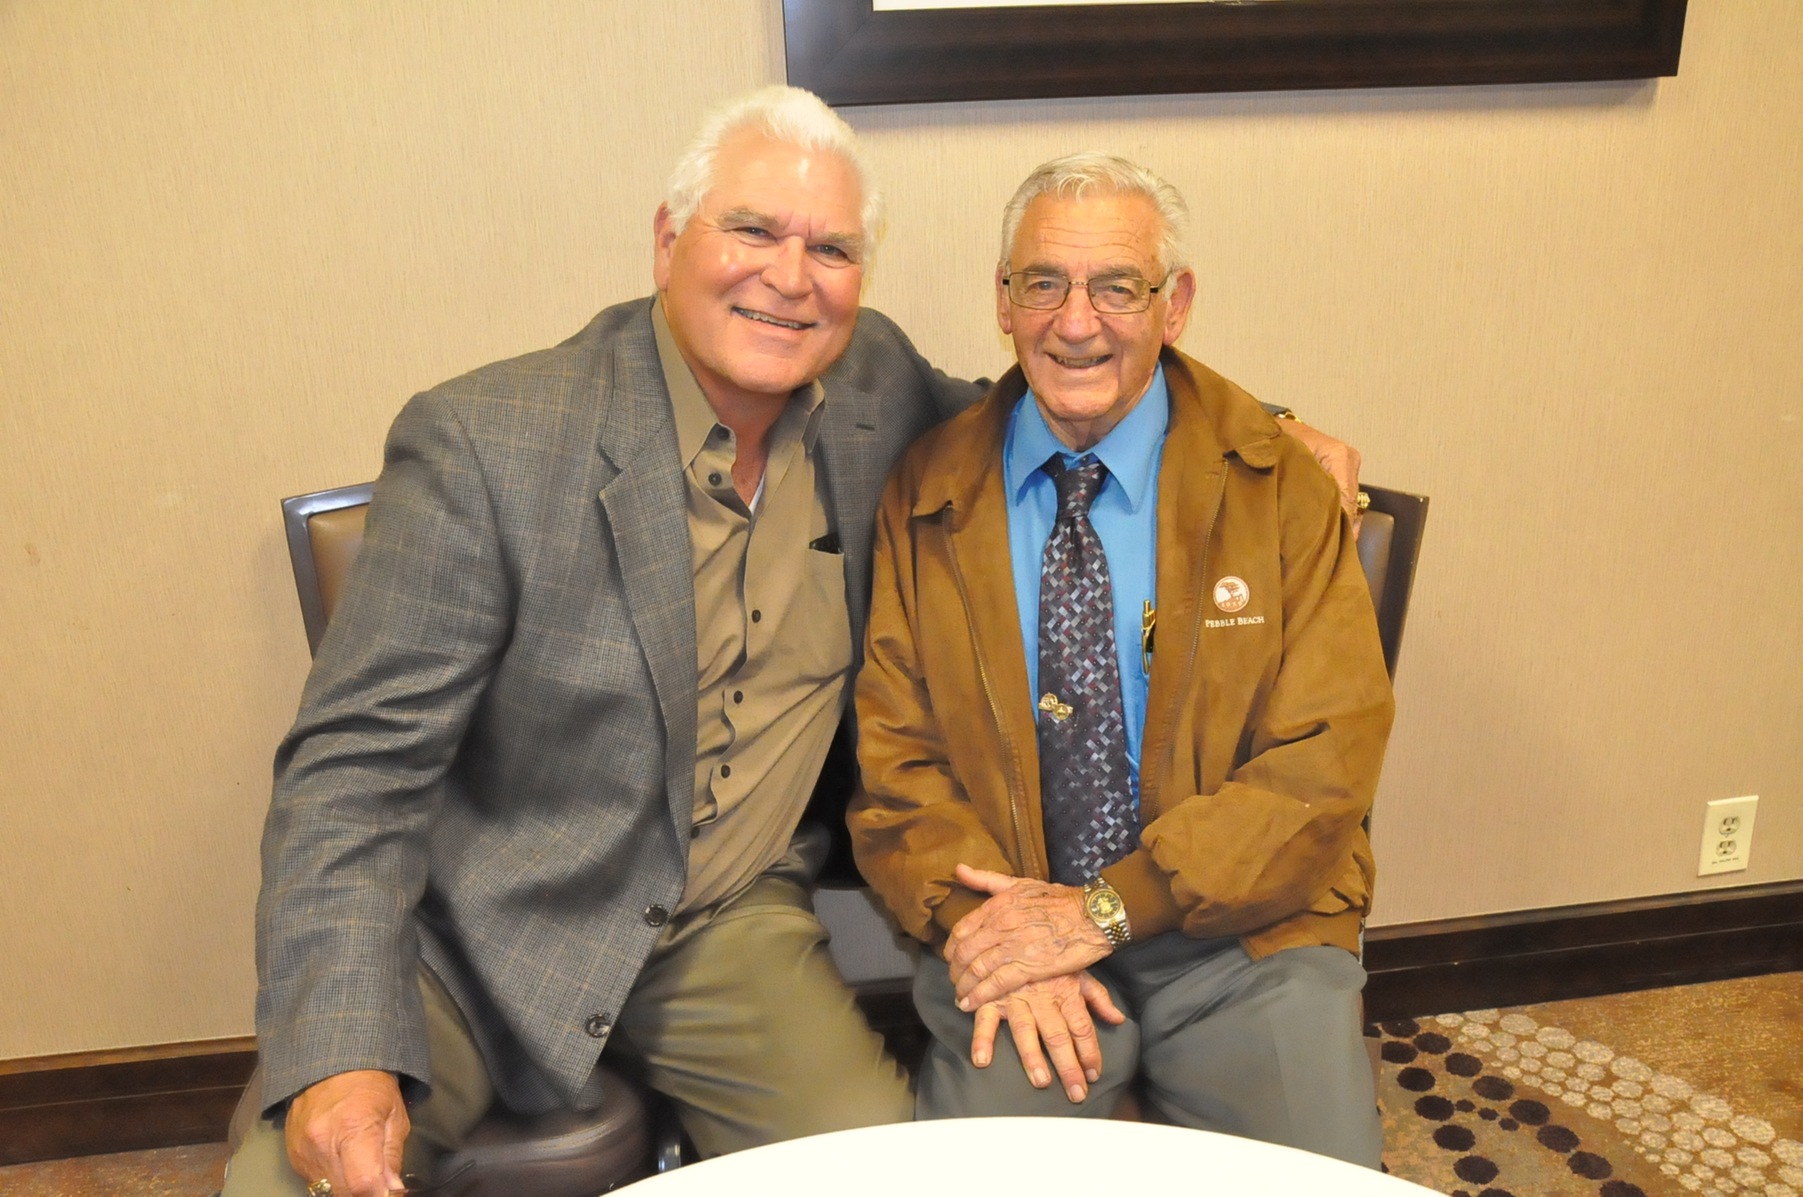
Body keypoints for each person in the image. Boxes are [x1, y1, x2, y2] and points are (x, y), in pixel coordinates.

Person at [229, 86, 1363, 1195]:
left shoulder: (873, 395)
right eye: (752, 230)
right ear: (668, 240)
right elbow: (352, 773)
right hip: (485, 926)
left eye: (830, 248)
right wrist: (340, 1049)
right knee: (301, 1174)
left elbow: (1075, 388)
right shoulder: (487, 442)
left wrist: (1266, 431)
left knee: (875, 1174)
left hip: (725, 927)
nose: (789, 277)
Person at [847, 152, 1394, 1167]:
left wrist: (1105, 912)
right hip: (1014, 919)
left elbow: (1322, 767)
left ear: (1173, 305)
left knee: (1317, 1182)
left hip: (1243, 938)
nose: (1076, 322)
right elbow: (897, 763)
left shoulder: (1278, 487)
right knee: (978, 1179)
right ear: (1003, 302)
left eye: (1116, 287)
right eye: (1043, 283)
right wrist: (999, 924)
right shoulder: (928, 490)